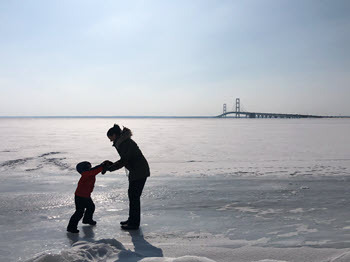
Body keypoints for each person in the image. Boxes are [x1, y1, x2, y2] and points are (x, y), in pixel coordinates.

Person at [104, 124, 150, 230]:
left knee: (134, 197)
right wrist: (111, 165)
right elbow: (124, 160)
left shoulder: (125, 143)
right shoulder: (123, 142)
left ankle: (134, 224)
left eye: (110, 138)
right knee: (132, 196)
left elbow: (124, 160)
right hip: (136, 171)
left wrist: (110, 168)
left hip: (139, 172)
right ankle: (132, 220)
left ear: (114, 135)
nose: (110, 141)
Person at [67, 160, 112, 233]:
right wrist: (102, 166)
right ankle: (71, 227)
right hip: (81, 196)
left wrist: (102, 165)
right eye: (88, 167)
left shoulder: (89, 173)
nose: (90, 168)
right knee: (79, 212)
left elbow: (94, 170)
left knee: (91, 207)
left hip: (85, 195)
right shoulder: (86, 174)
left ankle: (87, 219)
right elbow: (93, 171)